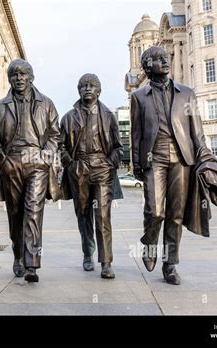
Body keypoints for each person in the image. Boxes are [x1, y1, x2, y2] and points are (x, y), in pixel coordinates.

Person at [130, 46, 208, 285]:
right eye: (157, 58)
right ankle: (150, 244)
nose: (164, 61)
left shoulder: (187, 93)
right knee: (155, 211)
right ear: (147, 66)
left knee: (175, 215)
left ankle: (170, 264)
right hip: (154, 157)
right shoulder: (138, 97)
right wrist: (136, 164)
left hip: (182, 159)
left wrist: (204, 157)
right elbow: (136, 134)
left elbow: (197, 130)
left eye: (166, 58)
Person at [0, 59, 60, 283]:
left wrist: (45, 157)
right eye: (14, 75)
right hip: (11, 163)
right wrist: (1, 159)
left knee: (33, 211)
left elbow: (55, 134)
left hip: (36, 163)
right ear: (9, 78)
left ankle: (32, 264)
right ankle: (18, 255)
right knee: (15, 214)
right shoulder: (0, 106)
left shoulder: (45, 103)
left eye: (23, 74)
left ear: (31, 77)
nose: (19, 78)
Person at [60, 73, 123, 279]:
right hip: (79, 169)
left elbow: (117, 147)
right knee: (83, 214)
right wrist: (71, 164)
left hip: (102, 169)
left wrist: (109, 163)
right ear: (79, 90)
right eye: (83, 86)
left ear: (99, 90)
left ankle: (106, 262)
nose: (87, 88)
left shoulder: (108, 116)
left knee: (103, 216)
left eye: (91, 85)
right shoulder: (69, 117)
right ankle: (88, 253)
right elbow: (60, 146)